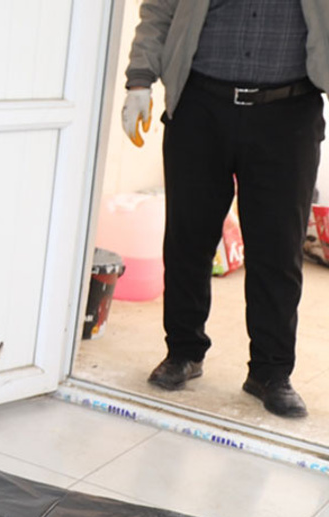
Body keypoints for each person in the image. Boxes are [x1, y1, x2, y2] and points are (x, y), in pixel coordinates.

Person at [121, 0, 329, 419]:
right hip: (200, 106)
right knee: (188, 239)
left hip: (289, 112)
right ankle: (183, 352)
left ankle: (270, 372)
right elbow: (159, 8)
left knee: (278, 250)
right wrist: (139, 80)